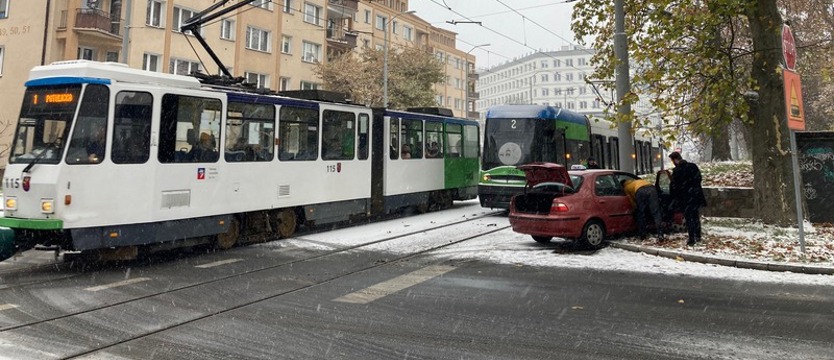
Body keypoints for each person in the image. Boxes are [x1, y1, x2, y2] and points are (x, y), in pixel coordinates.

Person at [669, 151, 706, 246]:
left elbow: (674, 186)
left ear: (675, 160)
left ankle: (691, 239)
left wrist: (675, 197)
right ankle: (698, 236)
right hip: (696, 196)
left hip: (686, 198)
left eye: (673, 161)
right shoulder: (693, 166)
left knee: (689, 218)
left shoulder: (677, 171)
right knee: (695, 216)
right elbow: (699, 179)